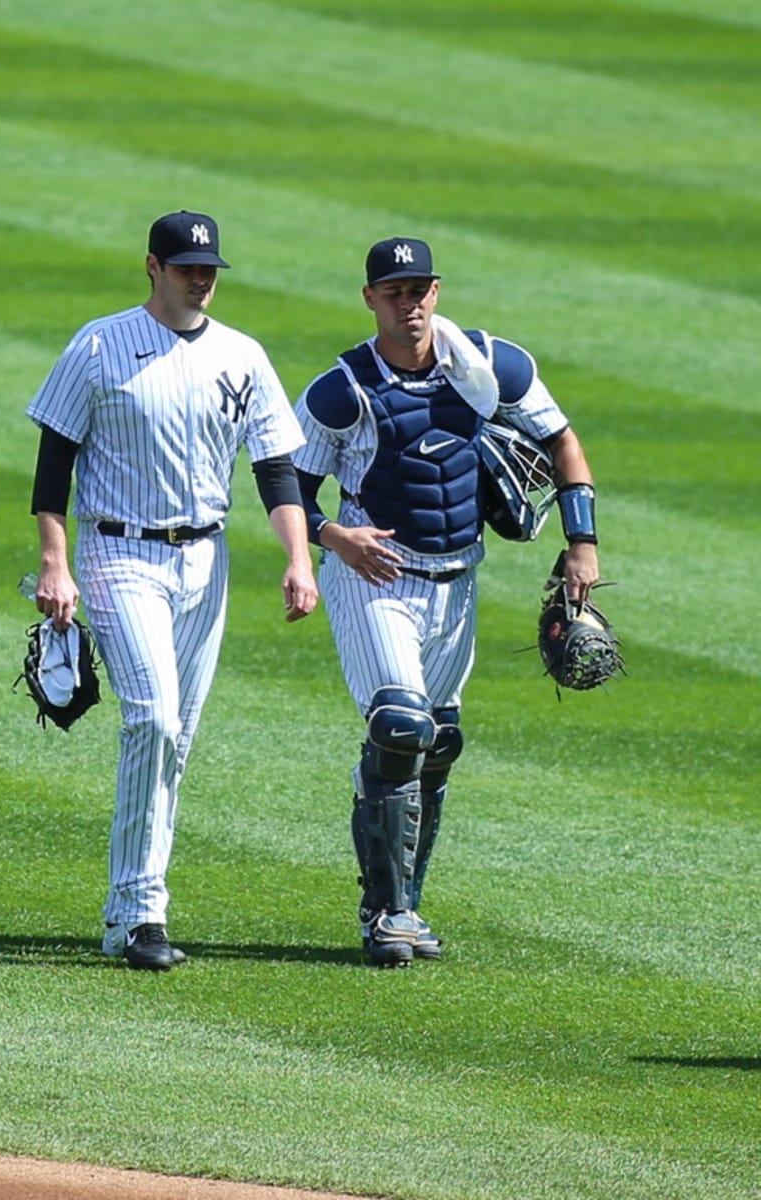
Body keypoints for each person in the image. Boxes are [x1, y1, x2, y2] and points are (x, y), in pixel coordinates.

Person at [292, 237, 601, 967]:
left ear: (438, 290)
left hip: (459, 579)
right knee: (402, 727)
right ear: (369, 298)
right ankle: (389, 915)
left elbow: (561, 443)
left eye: (421, 288)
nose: (411, 302)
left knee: (440, 745)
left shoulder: (491, 365)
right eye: (394, 291)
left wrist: (582, 543)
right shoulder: (341, 390)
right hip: (376, 579)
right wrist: (335, 537)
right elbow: (286, 491)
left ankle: (403, 898)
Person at [26, 210, 319, 971]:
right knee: (152, 719)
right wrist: (55, 563)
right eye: (187, 265)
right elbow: (53, 464)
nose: (202, 276)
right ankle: (135, 916)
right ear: (151, 266)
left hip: (205, 560)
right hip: (119, 553)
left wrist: (299, 557)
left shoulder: (242, 355)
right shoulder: (99, 344)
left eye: (210, 265)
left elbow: (276, 469)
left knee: (177, 737)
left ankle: (139, 908)